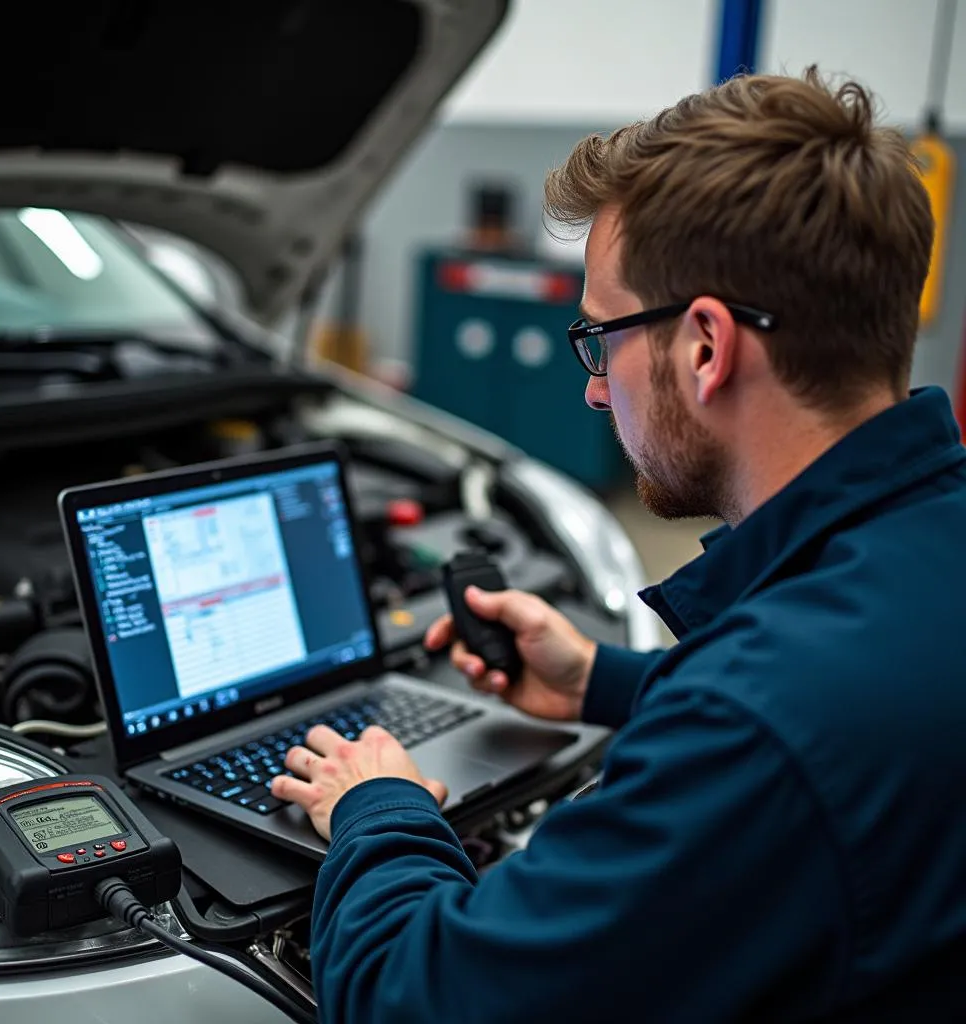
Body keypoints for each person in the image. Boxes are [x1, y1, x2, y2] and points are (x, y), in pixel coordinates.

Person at [269, 67, 966, 1022]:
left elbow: (419, 999)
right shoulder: (924, 546)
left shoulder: (756, 720)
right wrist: (602, 682)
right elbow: (833, 732)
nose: (598, 389)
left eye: (602, 338)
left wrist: (380, 807)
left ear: (707, 347)